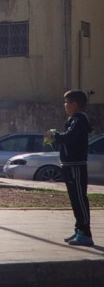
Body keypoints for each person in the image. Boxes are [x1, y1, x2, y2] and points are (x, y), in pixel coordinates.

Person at [46, 89, 94, 247]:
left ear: (75, 104)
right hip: (69, 165)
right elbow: (67, 135)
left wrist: (54, 136)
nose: (65, 105)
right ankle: (79, 229)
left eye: (67, 102)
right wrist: (56, 136)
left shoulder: (80, 119)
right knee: (74, 199)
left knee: (79, 199)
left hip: (76, 166)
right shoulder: (73, 120)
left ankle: (85, 234)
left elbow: (69, 137)